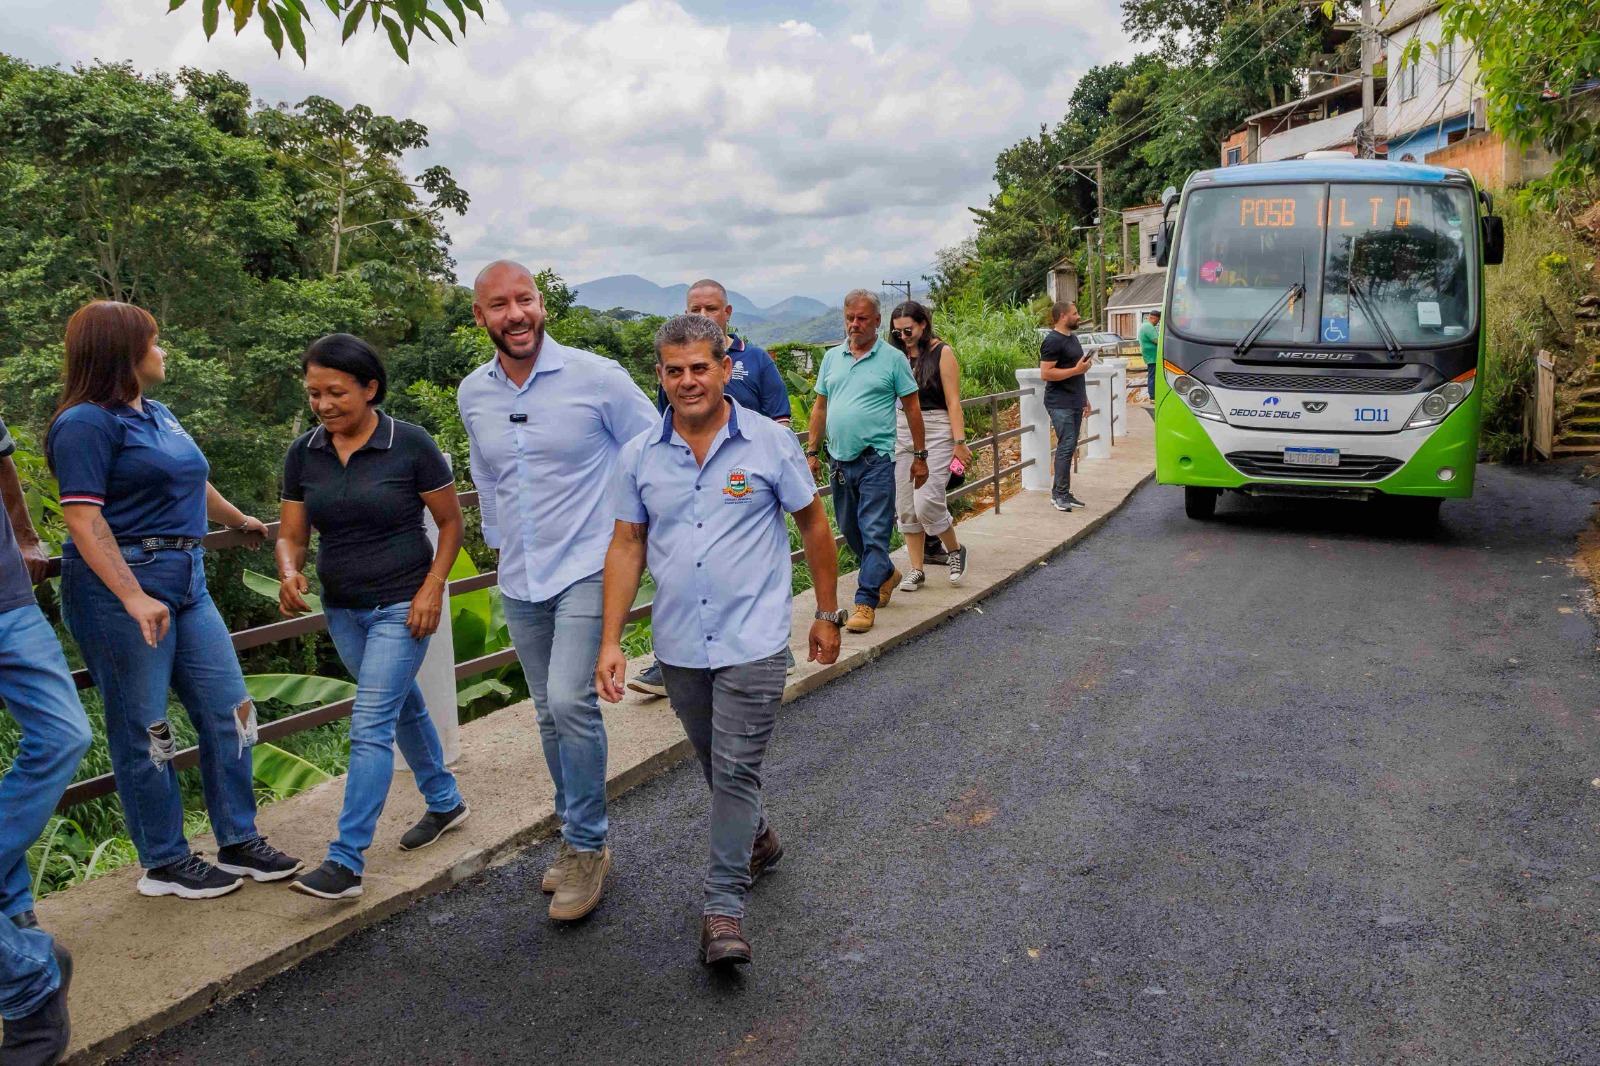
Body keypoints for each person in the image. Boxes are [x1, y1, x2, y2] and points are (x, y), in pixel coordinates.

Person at [596, 314, 844, 966]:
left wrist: (826, 612)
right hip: (679, 644)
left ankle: (723, 909)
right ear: (660, 376)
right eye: (674, 371)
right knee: (714, 762)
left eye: (699, 368)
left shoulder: (768, 444)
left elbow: (814, 527)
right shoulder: (640, 456)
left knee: (735, 770)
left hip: (755, 640)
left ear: (725, 369)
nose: (687, 381)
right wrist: (611, 640)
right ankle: (757, 838)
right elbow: (626, 545)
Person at [47, 300, 301, 901]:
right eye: (155, 341)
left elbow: (190, 478)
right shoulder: (84, 423)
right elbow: (83, 520)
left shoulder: (156, 412)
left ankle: (239, 840)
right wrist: (133, 596)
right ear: (124, 353)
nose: (164, 351)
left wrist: (240, 519)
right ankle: (163, 860)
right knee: (147, 727)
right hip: (121, 589)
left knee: (232, 710)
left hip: (188, 578)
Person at [457, 261, 657, 922]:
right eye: (498, 305)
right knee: (547, 709)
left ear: (541, 305)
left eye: (524, 300)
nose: (514, 314)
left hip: (587, 564)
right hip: (519, 574)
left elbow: (653, 449)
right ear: (480, 317)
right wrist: (493, 541)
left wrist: (644, 538)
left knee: (571, 702)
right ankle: (576, 835)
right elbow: (486, 476)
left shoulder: (596, 379)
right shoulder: (472, 393)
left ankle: (587, 846)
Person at [276, 335, 470, 901]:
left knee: (370, 723)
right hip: (342, 608)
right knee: (401, 702)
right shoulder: (303, 453)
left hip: (402, 605)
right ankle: (445, 801)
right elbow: (291, 532)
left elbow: (451, 523)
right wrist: (289, 570)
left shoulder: (409, 443)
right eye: (314, 393)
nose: (324, 404)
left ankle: (345, 862)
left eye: (336, 392)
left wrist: (433, 588)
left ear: (370, 388)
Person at [630, 278, 795, 699]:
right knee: (684, 566)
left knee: (747, 569)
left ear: (727, 313)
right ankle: (668, 663)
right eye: (693, 309)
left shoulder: (755, 360)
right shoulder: (674, 369)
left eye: (710, 309)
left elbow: (780, 418)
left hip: (749, 482)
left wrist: (771, 457)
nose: (701, 317)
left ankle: (771, 647)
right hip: (688, 479)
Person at [0, 415, 90, 1065]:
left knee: (65, 735)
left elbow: (3, 461)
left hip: (8, 600)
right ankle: (26, 963)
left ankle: (23, 957)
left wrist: (29, 536)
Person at [805, 290, 927, 634]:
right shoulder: (831, 358)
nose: (854, 325)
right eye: (849, 318)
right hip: (839, 462)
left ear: (876, 321)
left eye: (861, 318)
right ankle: (887, 572)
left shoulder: (892, 359)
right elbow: (820, 407)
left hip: (876, 460)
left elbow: (913, 408)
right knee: (850, 531)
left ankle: (865, 601)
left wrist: (920, 456)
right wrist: (812, 452)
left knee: (874, 534)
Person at [886, 301, 970, 589]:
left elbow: (953, 401)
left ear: (923, 323)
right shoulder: (895, 356)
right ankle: (916, 568)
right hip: (901, 430)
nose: (903, 336)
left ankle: (955, 550)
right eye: (897, 332)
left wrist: (959, 442)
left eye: (908, 330)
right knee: (906, 506)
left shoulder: (941, 352)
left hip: (936, 429)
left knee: (928, 502)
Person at [1039, 301, 1095, 512]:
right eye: (1075, 313)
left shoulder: (1072, 338)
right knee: (1066, 445)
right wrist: (1077, 371)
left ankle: (1064, 491)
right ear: (1063, 316)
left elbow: (1076, 370)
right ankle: (1058, 495)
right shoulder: (1052, 341)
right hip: (1059, 401)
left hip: (1074, 399)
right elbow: (1046, 373)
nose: (1079, 316)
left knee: (1070, 446)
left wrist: (1084, 398)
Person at [1138, 309, 1161, 409]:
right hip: (1152, 356)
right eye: (1158, 320)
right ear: (1153, 318)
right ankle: (1153, 396)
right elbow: (1157, 340)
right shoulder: (1148, 326)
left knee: (1153, 375)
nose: (1158, 323)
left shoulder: (1145, 325)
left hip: (1151, 355)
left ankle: (1154, 395)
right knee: (1153, 376)